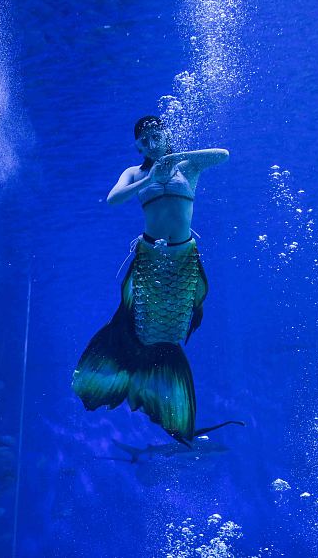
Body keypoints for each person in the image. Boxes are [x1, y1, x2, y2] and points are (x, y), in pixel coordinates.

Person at [72, 116, 229, 443]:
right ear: (138, 147)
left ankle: (162, 390)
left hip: (184, 258)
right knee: (137, 325)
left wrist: (171, 161)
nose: (149, 143)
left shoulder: (187, 167)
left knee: (172, 332)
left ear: (166, 135)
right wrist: (150, 179)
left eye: (155, 136)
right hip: (150, 257)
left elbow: (221, 155)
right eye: (143, 141)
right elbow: (113, 199)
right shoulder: (136, 173)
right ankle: (125, 374)